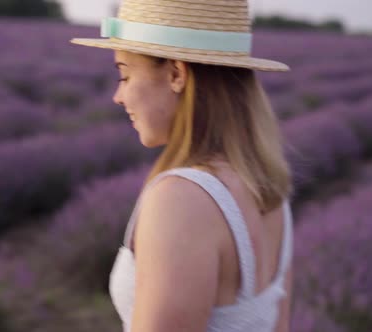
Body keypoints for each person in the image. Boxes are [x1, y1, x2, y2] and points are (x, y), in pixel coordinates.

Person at [71, 0, 294, 331]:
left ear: (176, 74)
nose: (119, 96)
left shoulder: (182, 201)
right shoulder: (269, 192)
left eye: (125, 74)